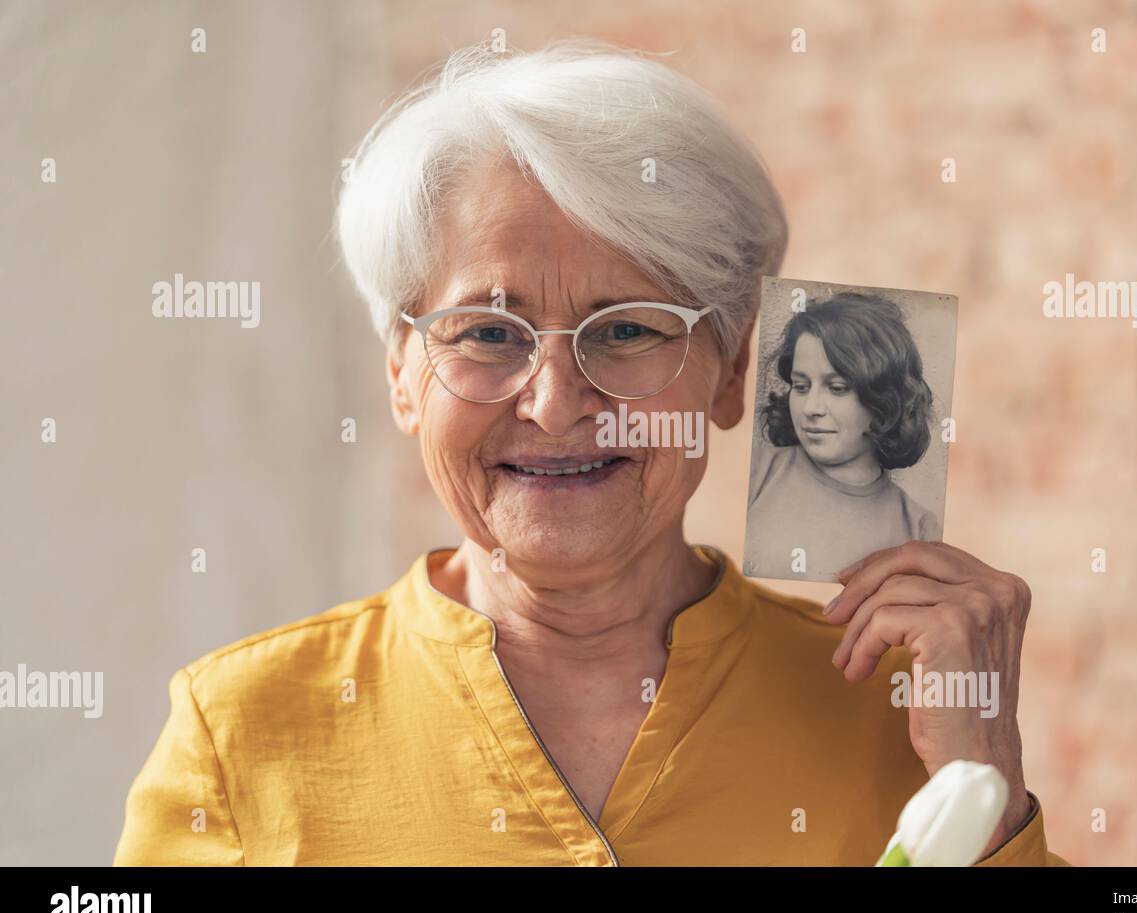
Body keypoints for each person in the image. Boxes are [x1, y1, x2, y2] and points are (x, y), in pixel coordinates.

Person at [112, 38, 1068, 866]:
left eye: (628, 331)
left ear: (735, 374)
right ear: (403, 376)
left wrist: (978, 800)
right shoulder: (240, 734)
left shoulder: (905, 715)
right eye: (487, 333)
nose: (558, 403)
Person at [745, 292, 941, 581]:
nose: (811, 408)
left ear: (882, 399)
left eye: (837, 388)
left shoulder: (918, 526)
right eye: (800, 386)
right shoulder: (758, 472)